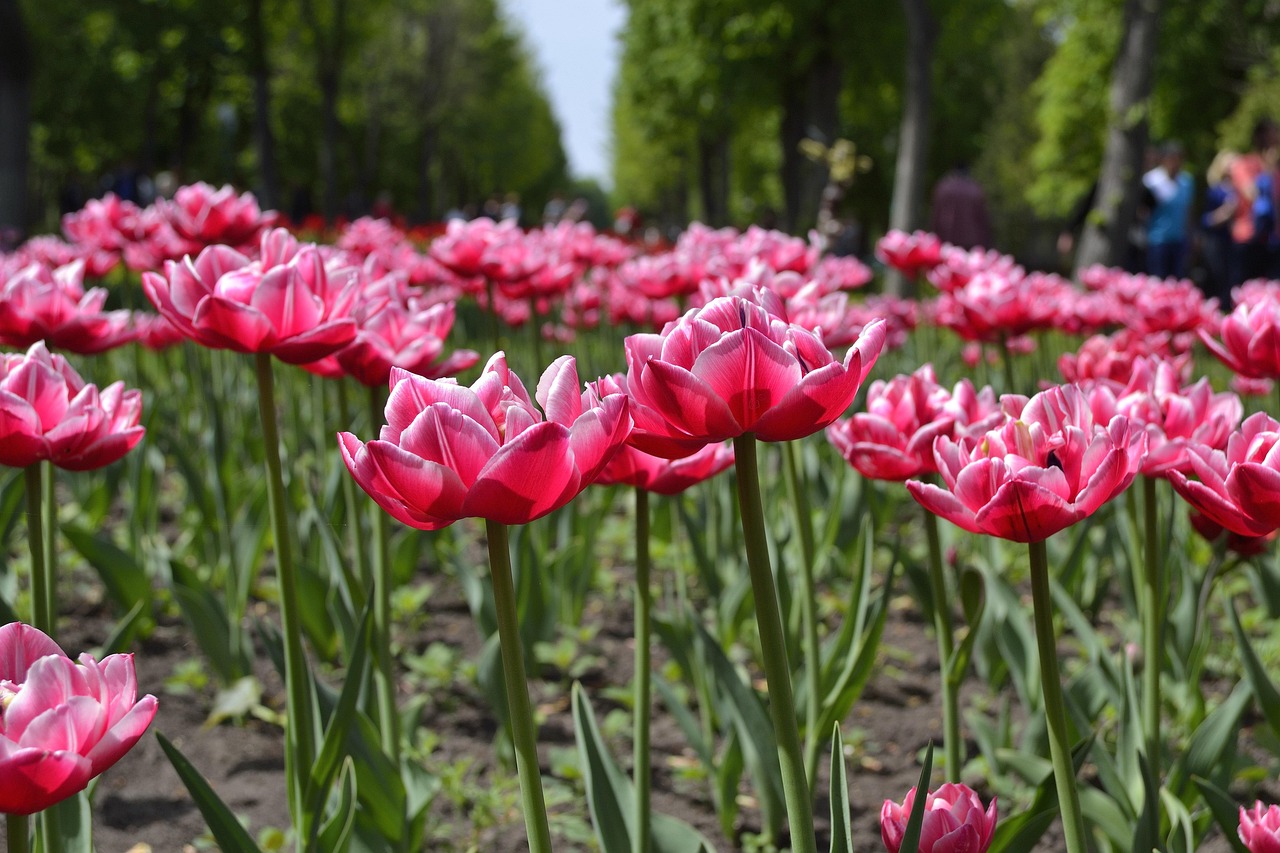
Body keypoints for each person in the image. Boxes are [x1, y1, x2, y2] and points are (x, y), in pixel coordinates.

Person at [1227, 118, 1278, 287]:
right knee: (1245, 287)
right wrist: (1268, 171)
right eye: (1273, 133)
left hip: (1273, 238)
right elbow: (1251, 193)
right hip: (1248, 235)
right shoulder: (1244, 164)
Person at [1143, 141, 1195, 278]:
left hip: (1179, 239)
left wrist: (1191, 236)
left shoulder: (1187, 181)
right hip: (1157, 239)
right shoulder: (1150, 181)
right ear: (1164, 159)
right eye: (1172, 158)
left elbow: (1188, 210)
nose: (1175, 163)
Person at [1199, 150, 1237, 305]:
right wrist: (1224, 213)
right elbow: (1205, 221)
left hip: (1235, 241)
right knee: (1217, 275)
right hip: (1216, 240)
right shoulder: (1214, 191)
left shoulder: (1240, 189)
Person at [929, 163, 992, 250]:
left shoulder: (944, 188)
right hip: (970, 242)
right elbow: (982, 220)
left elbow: (936, 217)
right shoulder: (975, 190)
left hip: (946, 238)